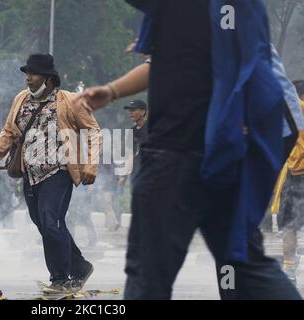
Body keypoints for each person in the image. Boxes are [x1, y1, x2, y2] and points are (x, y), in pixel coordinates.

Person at [75, 0, 300, 299]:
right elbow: (165, 63)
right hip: (224, 153)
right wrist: (113, 91)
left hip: (177, 151)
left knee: (148, 276)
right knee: (245, 265)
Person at [0, 53, 102, 293]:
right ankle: (80, 266)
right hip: (30, 175)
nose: (28, 79)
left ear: (49, 78)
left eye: (33, 74)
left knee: (50, 221)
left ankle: (60, 279)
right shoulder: (21, 100)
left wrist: (91, 165)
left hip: (59, 172)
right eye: (26, 74)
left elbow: (94, 131)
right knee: (46, 225)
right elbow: (7, 133)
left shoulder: (70, 101)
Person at [271, 80, 304, 283]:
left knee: (289, 225)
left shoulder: (297, 109)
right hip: (296, 175)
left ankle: (289, 267)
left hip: (297, 176)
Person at [118, 99, 148, 189]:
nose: (130, 113)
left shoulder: (152, 128)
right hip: (135, 174)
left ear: (143, 112)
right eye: (130, 110)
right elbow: (129, 156)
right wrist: (123, 176)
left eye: (134, 110)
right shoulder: (131, 131)